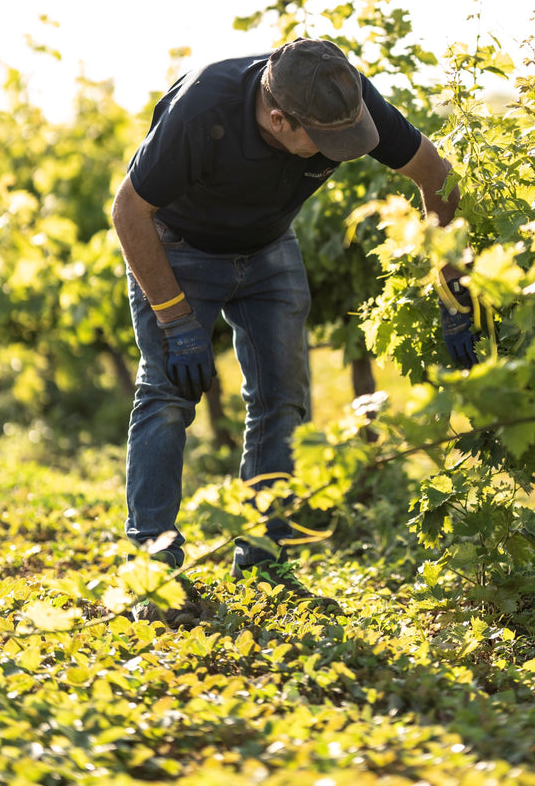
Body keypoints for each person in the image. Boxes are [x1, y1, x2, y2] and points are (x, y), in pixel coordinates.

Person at [112, 37, 477, 622]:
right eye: (326, 144)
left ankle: (265, 565)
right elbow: (129, 210)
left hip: (267, 248)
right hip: (178, 249)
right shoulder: (203, 110)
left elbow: (433, 173)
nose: (341, 151)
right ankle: (152, 574)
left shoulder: (342, 97)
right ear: (277, 119)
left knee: (284, 403)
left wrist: (451, 280)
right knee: (166, 399)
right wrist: (176, 318)